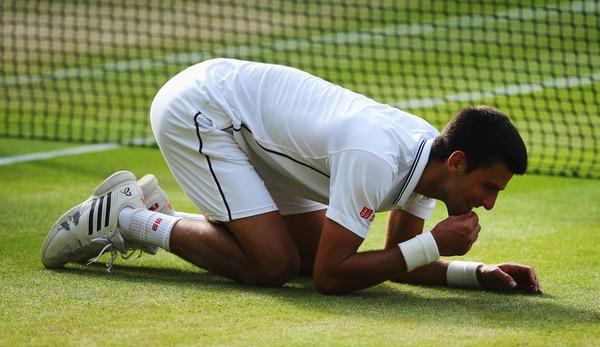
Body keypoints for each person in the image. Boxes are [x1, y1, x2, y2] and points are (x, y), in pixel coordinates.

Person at [41, 58, 542, 295]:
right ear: (457, 164)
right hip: (202, 112)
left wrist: (476, 274)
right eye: (488, 187)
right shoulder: (377, 158)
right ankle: (130, 217)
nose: (490, 203)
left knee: (303, 255)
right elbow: (332, 278)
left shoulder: (427, 162)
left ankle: (154, 213)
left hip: (255, 134)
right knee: (275, 265)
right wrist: (434, 245)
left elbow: (395, 261)